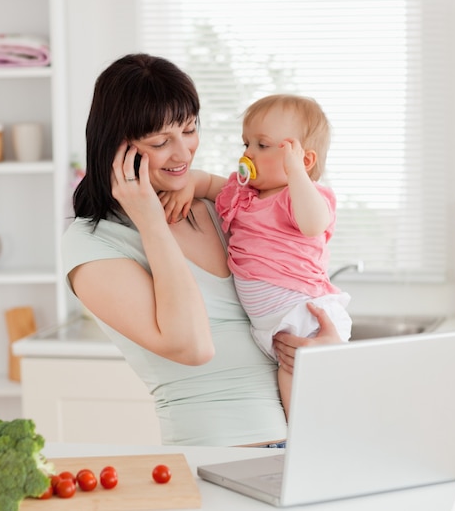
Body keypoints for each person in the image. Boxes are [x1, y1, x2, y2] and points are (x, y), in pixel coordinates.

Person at [62, 54, 342, 447]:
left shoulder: (226, 207)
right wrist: (151, 223)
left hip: (306, 451)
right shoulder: (93, 243)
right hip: (218, 458)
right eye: (161, 142)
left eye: (190, 131)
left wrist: (328, 351)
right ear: (118, 147)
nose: (183, 154)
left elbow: (296, 286)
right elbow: (192, 346)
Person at [161, 94, 352, 417]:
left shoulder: (300, 197)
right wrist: (189, 181)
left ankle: (311, 433)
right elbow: (209, 184)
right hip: (272, 327)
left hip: (302, 312)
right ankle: (302, 436)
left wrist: (297, 177)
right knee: (288, 378)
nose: (248, 153)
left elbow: (314, 224)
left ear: (303, 161)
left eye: (262, 145)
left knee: (312, 391)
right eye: (246, 144)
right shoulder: (244, 195)